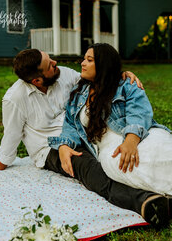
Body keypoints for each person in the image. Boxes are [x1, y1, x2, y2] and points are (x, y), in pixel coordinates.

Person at [0, 48, 170, 229]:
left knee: (110, 159)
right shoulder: (14, 99)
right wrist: (2, 163)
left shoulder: (64, 74)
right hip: (48, 147)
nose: (55, 62)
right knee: (86, 166)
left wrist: (120, 73)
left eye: (51, 58)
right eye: (50, 65)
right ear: (37, 80)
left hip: (81, 134)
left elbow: (98, 79)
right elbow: (12, 133)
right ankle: (144, 201)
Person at [45, 43, 172, 228]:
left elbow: (140, 112)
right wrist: (64, 145)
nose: (82, 63)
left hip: (138, 135)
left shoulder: (125, 85)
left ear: (103, 65)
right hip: (108, 150)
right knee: (128, 165)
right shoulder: (78, 94)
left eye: (89, 60)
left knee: (158, 153)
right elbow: (70, 125)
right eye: (84, 59)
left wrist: (131, 140)